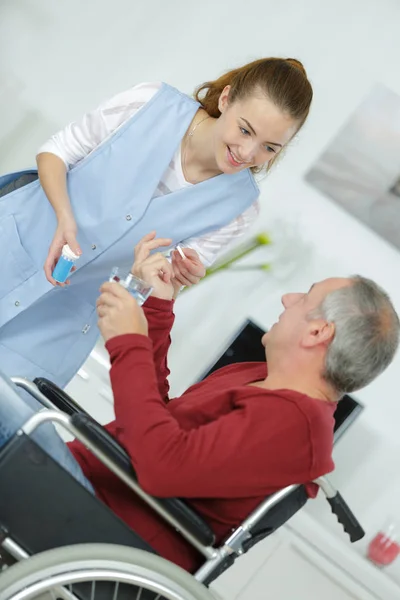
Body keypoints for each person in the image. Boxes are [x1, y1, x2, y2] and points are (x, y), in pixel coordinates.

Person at [0, 233, 398, 573]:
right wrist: (157, 305)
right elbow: (158, 418)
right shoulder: (256, 379)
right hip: (90, 488)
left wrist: (130, 342)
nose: (286, 298)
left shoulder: (294, 429)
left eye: (304, 297)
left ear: (316, 331)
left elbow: (162, 466)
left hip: (108, 526)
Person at [0, 57, 312, 389]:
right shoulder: (150, 102)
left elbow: (150, 286)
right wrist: (65, 217)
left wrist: (173, 280)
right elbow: (56, 152)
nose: (248, 152)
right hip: (14, 247)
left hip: (58, 324)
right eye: (245, 129)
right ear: (225, 99)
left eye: (269, 147)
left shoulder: (239, 209)